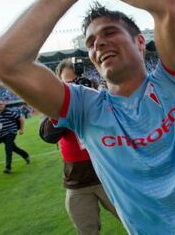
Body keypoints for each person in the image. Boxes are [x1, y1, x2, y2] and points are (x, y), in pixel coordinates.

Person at [0, 0, 175, 233]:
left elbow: (166, 3)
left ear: (140, 42)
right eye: (90, 43)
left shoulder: (174, 82)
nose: (98, 44)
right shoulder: (85, 108)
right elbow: (4, 63)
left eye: (110, 32)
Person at [39, 58, 119, 235]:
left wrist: (92, 93)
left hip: (109, 176)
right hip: (78, 182)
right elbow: (48, 135)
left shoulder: (98, 95)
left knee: (139, 222)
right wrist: (62, 105)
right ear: (59, 84)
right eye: (69, 84)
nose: (75, 88)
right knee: (86, 230)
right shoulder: (55, 105)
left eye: (78, 82)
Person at [0, 101, 30, 174]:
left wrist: (21, 130)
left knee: (8, 149)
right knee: (13, 147)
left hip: (11, 132)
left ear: (4, 105)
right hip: (2, 134)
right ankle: (25, 155)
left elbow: (21, 119)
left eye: (1, 104)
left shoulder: (9, 112)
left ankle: (8, 168)